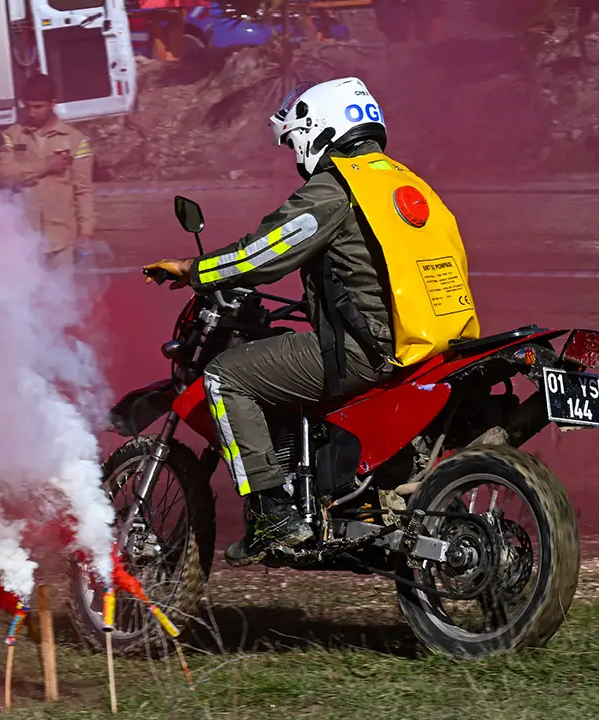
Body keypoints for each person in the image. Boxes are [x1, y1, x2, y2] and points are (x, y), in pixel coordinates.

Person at [142, 77, 478, 567]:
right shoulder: (404, 182)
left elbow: (268, 251)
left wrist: (194, 270)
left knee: (225, 376)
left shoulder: (336, 186)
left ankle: (274, 516)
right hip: (434, 345)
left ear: (315, 130)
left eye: (293, 140)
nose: (294, 153)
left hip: (369, 351)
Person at [0, 74, 95, 273]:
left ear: (53, 104)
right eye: (28, 106)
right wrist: (46, 166)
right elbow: (4, 175)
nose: (32, 113)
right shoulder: (12, 135)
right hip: (23, 240)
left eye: (38, 107)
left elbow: (83, 190)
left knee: (63, 299)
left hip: (62, 240)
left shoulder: (76, 140)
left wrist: (86, 232)